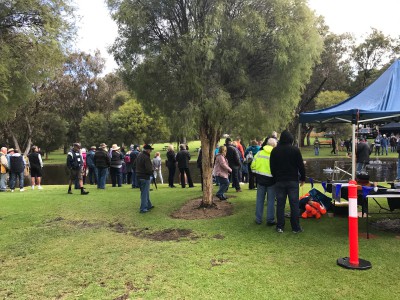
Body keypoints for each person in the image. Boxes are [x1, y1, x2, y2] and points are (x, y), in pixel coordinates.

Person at [270, 130, 305, 233]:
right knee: (294, 204)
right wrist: (303, 178)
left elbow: (272, 167)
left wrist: (275, 177)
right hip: (292, 180)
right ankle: (295, 227)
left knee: (280, 204)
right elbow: (301, 166)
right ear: (291, 139)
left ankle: (280, 226)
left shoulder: (275, 151)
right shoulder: (295, 150)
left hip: (280, 180)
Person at [252, 138, 277, 226]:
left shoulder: (259, 153)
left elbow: (252, 166)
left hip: (260, 180)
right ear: (274, 145)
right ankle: (270, 220)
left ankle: (258, 219)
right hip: (271, 181)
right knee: (271, 201)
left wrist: (257, 175)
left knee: (260, 200)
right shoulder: (275, 154)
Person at [135, 144, 155, 213]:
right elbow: (149, 169)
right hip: (145, 176)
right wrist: (152, 171)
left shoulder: (139, 155)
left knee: (145, 192)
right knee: (144, 193)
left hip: (139, 176)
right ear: (147, 150)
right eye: (150, 150)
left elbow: (135, 165)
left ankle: (149, 205)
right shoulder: (146, 157)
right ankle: (143, 208)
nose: (151, 151)